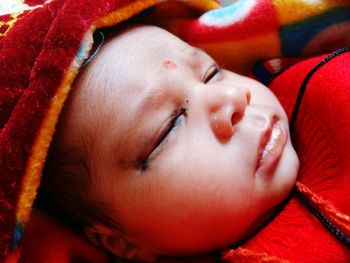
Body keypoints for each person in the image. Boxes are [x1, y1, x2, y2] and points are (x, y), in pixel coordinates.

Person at [39, 24, 300, 262]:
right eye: (169, 127)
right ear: (120, 242)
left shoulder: (314, 79)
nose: (233, 96)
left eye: (211, 73)